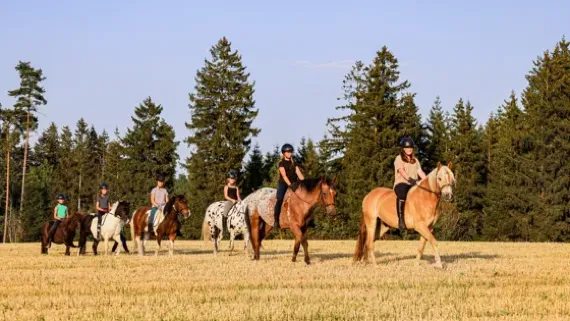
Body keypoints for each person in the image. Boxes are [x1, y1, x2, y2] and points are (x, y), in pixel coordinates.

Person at [393, 137, 427, 230]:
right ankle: (401, 220)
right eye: (407, 148)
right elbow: (401, 171)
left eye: (411, 147)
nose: (409, 149)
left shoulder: (415, 160)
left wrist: (427, 181)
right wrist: (410, 179)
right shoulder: (398, 158)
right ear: (403, 149)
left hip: (413, 184)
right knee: (403, 192)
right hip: (402, 183)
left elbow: (420, 172)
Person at [274, 143, 305, 229]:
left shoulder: (294, 163)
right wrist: (290, 185)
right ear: (284, 153)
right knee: (279, 199)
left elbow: (299, 173)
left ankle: (310, 219)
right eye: (287, 152)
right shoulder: (281, 163)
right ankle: (276, 221)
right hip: (284, 183)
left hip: (294, 182)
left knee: (304, 197)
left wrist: (305, 183)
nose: (289, 153)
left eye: (290, 152)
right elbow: (284, 176)